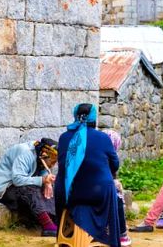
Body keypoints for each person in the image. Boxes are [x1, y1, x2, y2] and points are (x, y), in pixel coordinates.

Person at [55, 104, 123, 247]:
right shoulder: (103, 138)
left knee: (62, 182)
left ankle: (66, 235)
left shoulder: (64, 138)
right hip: (98, 193)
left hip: (69, 194)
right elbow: (115, 165)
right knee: (109, 184)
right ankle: (111, 236)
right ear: (94, 119)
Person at [0, 139, 59, 237]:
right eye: (52, 161)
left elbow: (43, 171)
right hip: (4, 189)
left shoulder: (40, 156)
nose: (53, 165)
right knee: (29, 189)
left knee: (53, 186)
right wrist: (43, 180)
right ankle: (47, 225)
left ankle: (55, 220)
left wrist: (47, 183)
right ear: (44, 154)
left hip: (17, 186)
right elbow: (18, 179)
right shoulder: (26, 153)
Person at [103, 130, 132, 247]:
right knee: (117, 196)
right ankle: (121, 232)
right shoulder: (110, 157)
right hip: (99, 191)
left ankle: (113, 227)